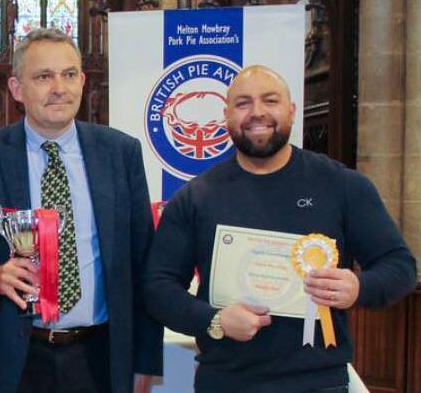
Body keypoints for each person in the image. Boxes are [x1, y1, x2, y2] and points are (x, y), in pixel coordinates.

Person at [143, 65, 417, 393]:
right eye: (243, 103)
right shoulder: (196, 197)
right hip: (226, 382)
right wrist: (213, 320)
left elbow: (400, 267)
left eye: (270, 101)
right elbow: (158, 287)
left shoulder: (342, 186)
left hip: (318, 383)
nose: (257, 112)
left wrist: (359, 286)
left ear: (291, 110)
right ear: (226, 115)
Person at [0, 28, 163, 393]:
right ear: (17, 89)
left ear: (83, 81)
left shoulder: (120, 152)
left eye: (69, 74)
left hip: (99, 359)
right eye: (43, 77)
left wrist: (146, 361)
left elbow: (146, 264)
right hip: (10, 362)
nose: (59, 87)